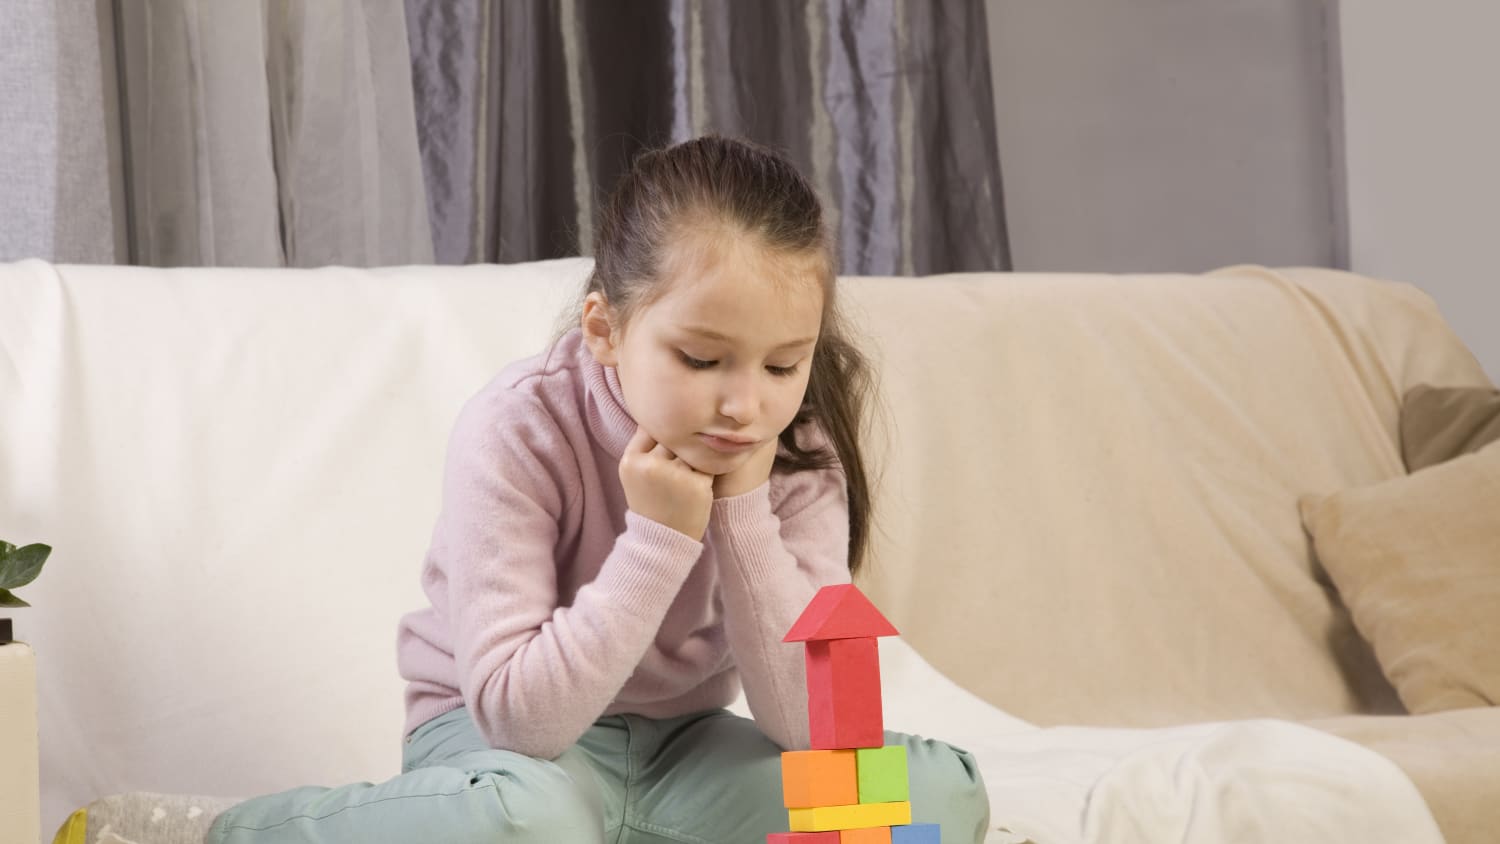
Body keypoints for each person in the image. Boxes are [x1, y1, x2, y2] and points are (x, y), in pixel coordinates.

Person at [206, 135, 990, 843]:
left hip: (684, 753)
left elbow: (822, 731)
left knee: (936, 797)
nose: (746, 406)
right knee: (528, 820)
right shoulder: (517, 428)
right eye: (702, 359)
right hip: (503, 752)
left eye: (783, 365)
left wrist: (744, 512)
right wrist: (660, 540)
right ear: (604, 329)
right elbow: (519, 719)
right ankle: (225, 834)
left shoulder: (800, 453)